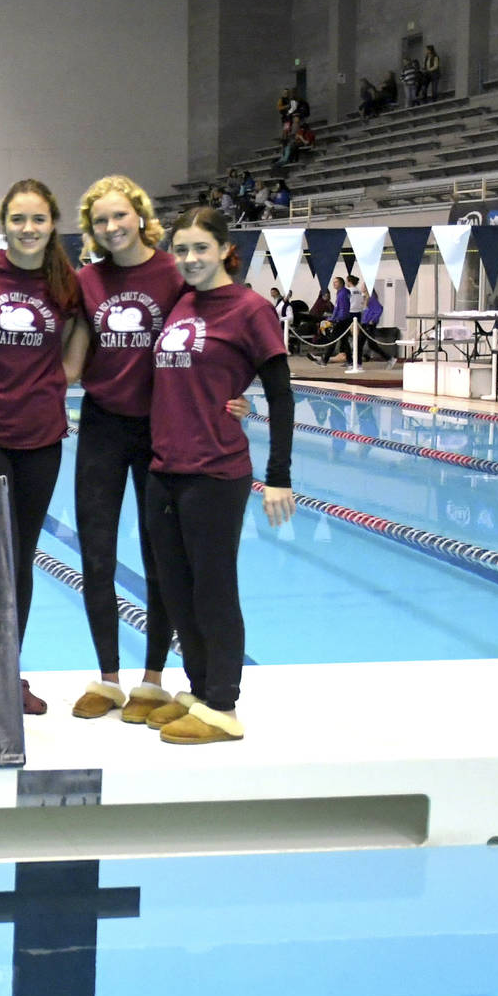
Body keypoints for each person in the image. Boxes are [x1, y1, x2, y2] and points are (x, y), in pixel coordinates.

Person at [142, 206, 295, 745]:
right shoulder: (182, 302)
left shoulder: (251, 309)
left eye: (200, 248)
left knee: (213, 589)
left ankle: (223, 706)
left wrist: (280, 475)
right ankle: (200, 690)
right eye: (180, 250)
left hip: (215, 470)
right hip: (166, 468)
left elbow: (280, 394)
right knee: (177, 589)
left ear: (226, 249)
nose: (189, 259)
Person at [0, 179, 81, 716]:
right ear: (2, 223)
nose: (28, 229)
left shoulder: (64, 282)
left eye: (39, 220)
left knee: (20, 557)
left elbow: (79, 335)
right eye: (18, 219)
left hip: (40, 437)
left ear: (52, 225)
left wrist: (65, 376)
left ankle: (9, 671)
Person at [61, 176, 185, 723]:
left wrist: (233, 396)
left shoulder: (174, 274)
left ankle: (154, 680)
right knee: (96, 553)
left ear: (139, 215)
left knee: (160, 555)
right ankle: (108, 678)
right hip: (103, 424)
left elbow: (208, 337)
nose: (111, 228)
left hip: (161, 427)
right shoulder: (86, 281)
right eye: (100, 221)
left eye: (119, 216)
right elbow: (66, 356)